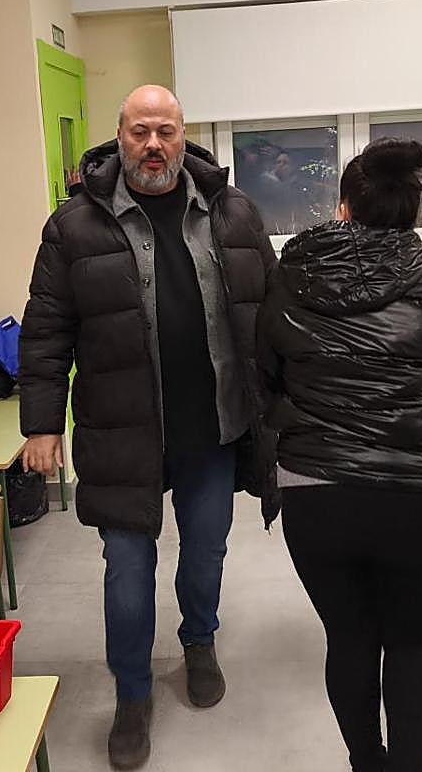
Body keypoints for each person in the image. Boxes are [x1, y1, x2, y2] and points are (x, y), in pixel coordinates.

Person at [18, 84, 278, 770]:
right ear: (120, 135)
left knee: (206, 551)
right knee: (127, 571)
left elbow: (272, 314)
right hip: (122, 429)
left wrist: (287, 406)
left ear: (183, 135)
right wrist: (41, 423)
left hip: (213, 427)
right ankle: (132, 694)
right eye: (140, 132)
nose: (153, 145)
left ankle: (199, 640)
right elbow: (46, 329)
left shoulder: (233, 212)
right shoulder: (73, 225)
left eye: (165, 131)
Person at [257, 138, 422, 772]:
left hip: (314, 494)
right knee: (417, 641)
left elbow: (265, 373)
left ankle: (366, 762)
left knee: (349, 638)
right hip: (420, 498)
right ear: (412, 212)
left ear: (343, 205)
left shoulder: (291, 276)